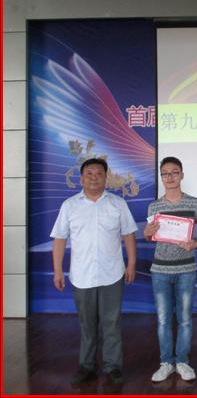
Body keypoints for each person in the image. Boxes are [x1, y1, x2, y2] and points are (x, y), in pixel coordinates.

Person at [51, 158, 137, 386]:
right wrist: (57, 270)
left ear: (106, 177)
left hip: (112, 273)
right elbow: (59, 239)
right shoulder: (70, 205)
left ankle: (113, 366)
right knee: (87, 324)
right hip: (82, 275)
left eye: (99, 173)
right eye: (89, 174)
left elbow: (129, 234)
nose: (94, 178)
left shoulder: (118, 204)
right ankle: (87, 365)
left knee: (111, 323)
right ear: (81, 178)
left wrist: (131, 264)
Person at [143, 157, 197, 382]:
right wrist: (147, 233)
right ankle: (166, 363)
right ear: (161, 177)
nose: (170, 177)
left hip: (186, 268)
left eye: (174, 172)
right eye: (165, 173)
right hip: (160, 269)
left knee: (185, 319)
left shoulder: (194, 203)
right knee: (163, 320)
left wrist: (196, 243)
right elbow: (150, 236)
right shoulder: (155, 206)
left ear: (182, 175)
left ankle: (182, 361)